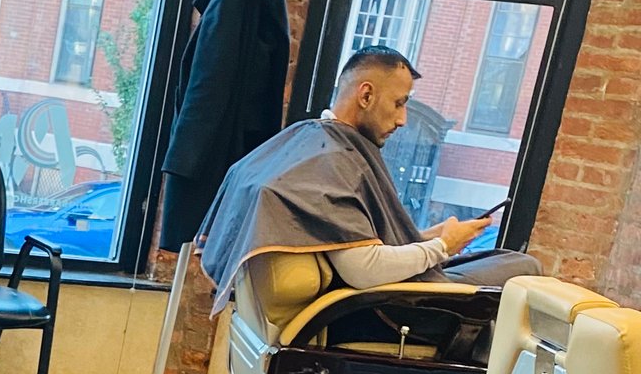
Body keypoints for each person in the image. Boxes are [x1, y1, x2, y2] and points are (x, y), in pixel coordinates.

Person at [199, 48, 540, 308]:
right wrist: (442, 246)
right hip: (381, 308)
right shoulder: (332, 161)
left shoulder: (310, 140)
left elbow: (348, 239)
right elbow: (364, 269)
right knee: (524, 268)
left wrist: (429, 237)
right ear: (365, 96)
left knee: (501, 259)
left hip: (374, 295)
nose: (403, 119)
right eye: (399, 103)